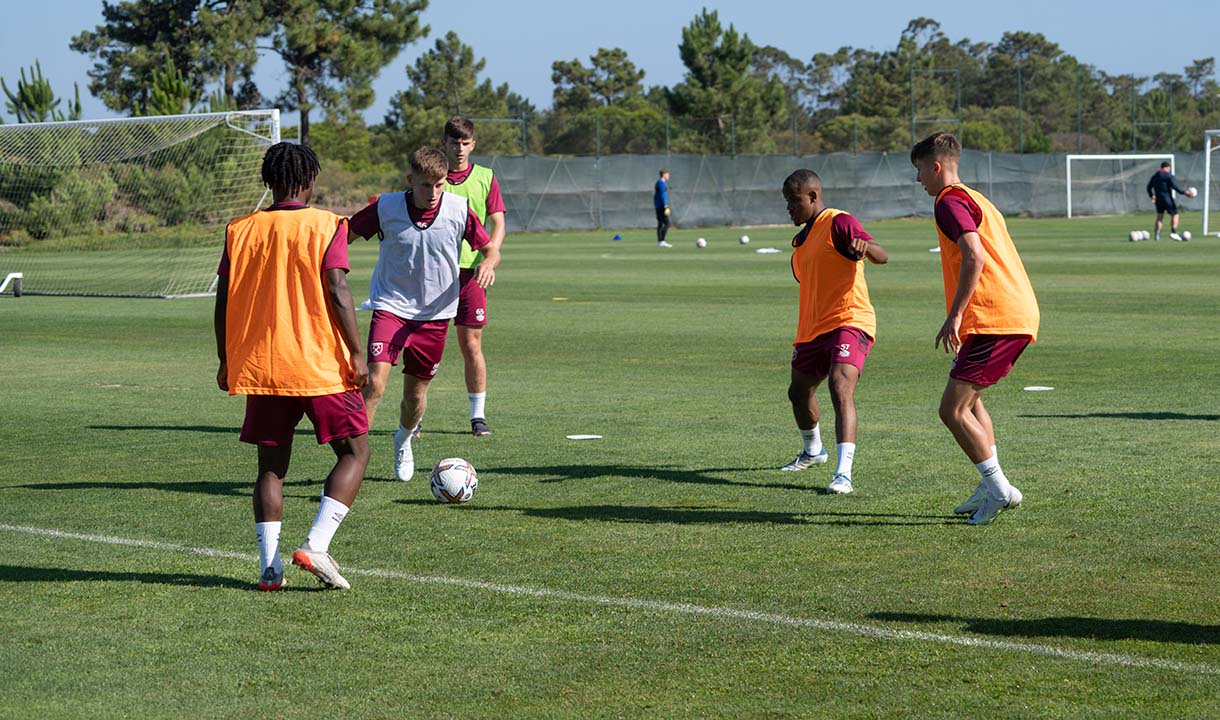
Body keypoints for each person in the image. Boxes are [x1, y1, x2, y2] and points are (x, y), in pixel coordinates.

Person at [214, 142, 370, 591]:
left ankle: (269, 569)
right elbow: (337, 288)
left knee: (270, 468)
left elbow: (223, 302)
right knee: (355, 452)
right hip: (320, 363)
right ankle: (317, 544)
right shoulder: (327, 224)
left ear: (269, 180)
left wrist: (226, 359)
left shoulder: (239, 229)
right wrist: (357, 353)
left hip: (265, 367)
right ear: (309, 180)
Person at [911, 132, 1040, 525]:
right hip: (1009, 314)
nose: (919, 181)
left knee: (951, 410)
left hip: (994, 318)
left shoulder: (948, 200)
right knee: (971, 402)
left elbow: (973, 254)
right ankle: (991, 486)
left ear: (936, 167)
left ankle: (999, 489)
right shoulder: (975, 195)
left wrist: (955, 314)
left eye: (919, 171)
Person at [348, 146, 498, 483]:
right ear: (410, 180)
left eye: (440, 185)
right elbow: (345, 236)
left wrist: (488, 263)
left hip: (435, 315)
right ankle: (353, 460)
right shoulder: (385, 207)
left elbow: (489, 249)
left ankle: (402, 438)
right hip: (391, 307)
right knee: (375, 382)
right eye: (426, 185)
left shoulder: (459, 210)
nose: (433, 193)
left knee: (414, 396)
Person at [779, 169, 888, 495]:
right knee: (798, 393)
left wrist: (864, 247)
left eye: (794, 201)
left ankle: (844, 474)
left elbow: (882, 255)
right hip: (812, 328)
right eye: (786, 202)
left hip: (849, 320)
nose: (789, 208)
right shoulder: (800, 241)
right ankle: (814, 451)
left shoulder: (839, 221)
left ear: (813, 196)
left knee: (841, 386)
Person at [438, 116, 507, 437]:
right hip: (434, 272)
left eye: (466, 143)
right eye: (455, 143)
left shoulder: (485, 177)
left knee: (471, 344)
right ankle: (415, 413)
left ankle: (477, 417)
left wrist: (490, 258)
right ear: (445, 144)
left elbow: (498, 222)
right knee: (426, 345)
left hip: (471, 273)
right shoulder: (432, 176)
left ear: (473, 144)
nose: (460, 149)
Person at [1146, 161, 1194, 241]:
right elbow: (1176, 187)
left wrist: (1152, 196)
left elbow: (1148, 187)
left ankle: (1157, 235)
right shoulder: (1169, 176)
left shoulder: (1154, 176)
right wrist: (1185, 192)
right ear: (1168, 167)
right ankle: (1173, 232)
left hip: (1159, 200)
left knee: (1160, 217)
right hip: (1167, 199)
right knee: (1175, 214)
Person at [654, 168, 672, 248]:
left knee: (660, 224)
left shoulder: (660, 183)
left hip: (658, 206)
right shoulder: (661, 183)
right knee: (667, 224)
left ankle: (660, 242)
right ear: (664, 174)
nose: (668, 176)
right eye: (667, 174)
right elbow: (662, 195)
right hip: (661, 207)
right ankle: (662, 241)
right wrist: (665, 206)